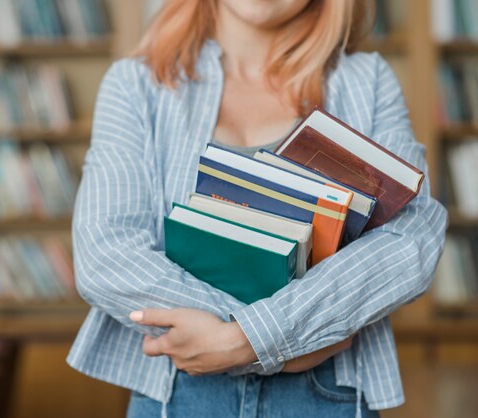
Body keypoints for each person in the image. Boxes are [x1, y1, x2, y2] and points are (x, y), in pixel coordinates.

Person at [67, 0, 448, 417]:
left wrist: (249, 340)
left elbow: (411, 240)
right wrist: (275, 340)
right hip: (180, 390)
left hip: (326, 393)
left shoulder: (367, 81)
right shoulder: (136, 85)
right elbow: (105, 253)